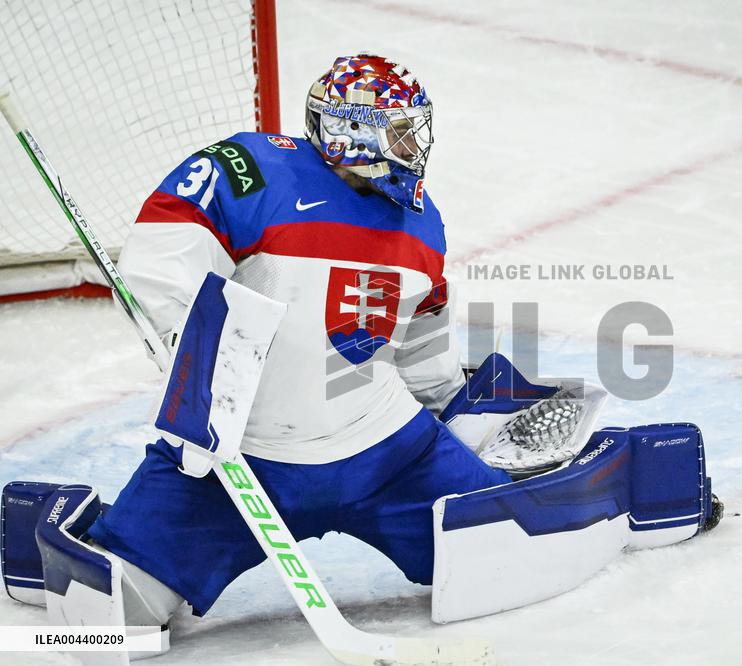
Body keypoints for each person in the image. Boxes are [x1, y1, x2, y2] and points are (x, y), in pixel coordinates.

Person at [84, 53, 512, 625]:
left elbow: (421, 335)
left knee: (503, 562)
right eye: (402, 131)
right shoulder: (249, 169)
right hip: (235, 463)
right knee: (115, 617)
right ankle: (63, 523)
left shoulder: (422, 218)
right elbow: (160, 265)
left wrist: (452, 411)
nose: (417, 147)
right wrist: (195, 366)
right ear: (352, 130)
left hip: (390, 455)